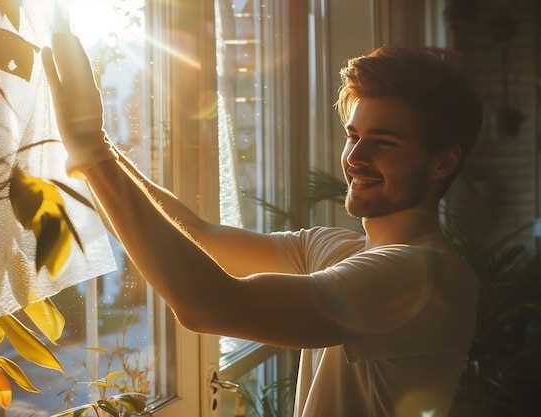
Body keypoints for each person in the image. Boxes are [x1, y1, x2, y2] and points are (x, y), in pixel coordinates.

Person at [42, 34, 482, 417]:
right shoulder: (336, 249)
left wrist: (94, 153)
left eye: (383, 143)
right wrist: (99, 147)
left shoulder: (421, 276)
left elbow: (210, 306)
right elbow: (198, 237)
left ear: (442, 162)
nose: (354, 157)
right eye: (353, 136)